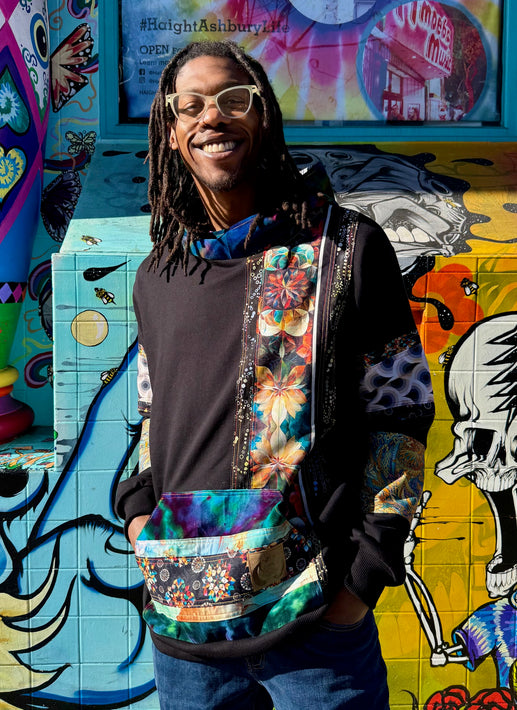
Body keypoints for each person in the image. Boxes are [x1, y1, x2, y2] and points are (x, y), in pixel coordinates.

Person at [115, 39, 434, 710]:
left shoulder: (345, 249)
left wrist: (361, 581)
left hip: (317, 629)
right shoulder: (158, 276)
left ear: (262, 117)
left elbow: (401, 415)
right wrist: (140, 514)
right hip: (186, 631)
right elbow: (152, 417)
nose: (213, 116)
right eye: (191, 105)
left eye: (233, 99)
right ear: (170, 132)